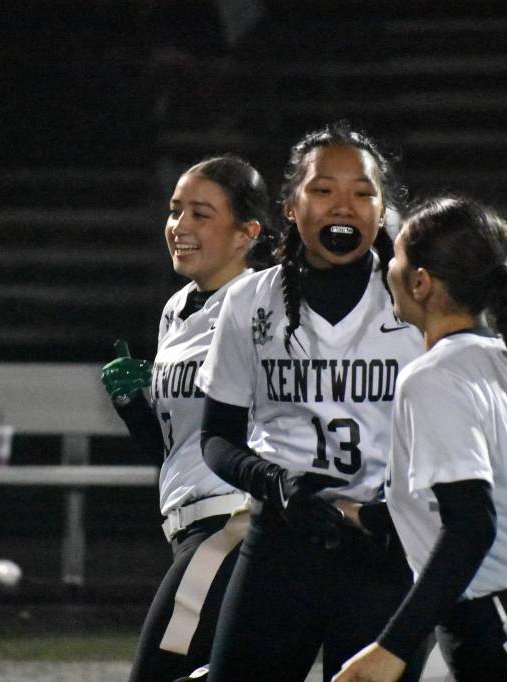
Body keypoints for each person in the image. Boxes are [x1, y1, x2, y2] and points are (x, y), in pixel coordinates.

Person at [333, 196, 507, 682]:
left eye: (395, 257)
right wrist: (361, 514)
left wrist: (391, 647)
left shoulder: (433, 377)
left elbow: (472, 526)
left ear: (421, 282)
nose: (387, 267)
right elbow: (495, 500)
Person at [195, 122, 428, 682]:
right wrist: (273, 481)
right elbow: (216, 437)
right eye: (323, 189)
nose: (344, 206)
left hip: (386, 548)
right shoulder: (250, 301)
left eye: (363, 193)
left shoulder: (420, 301)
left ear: (382, 210)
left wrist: (407, 511)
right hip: (282, 544)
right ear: (291, 207)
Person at [100, 155, 277, 682]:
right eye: (176, 210)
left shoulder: (265, 305)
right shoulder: (177, 308)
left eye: (201, 214)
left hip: (235, 521)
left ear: (247, 232)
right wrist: (134, 406)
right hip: (188, 523)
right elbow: (176, 448)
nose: (179, 226)